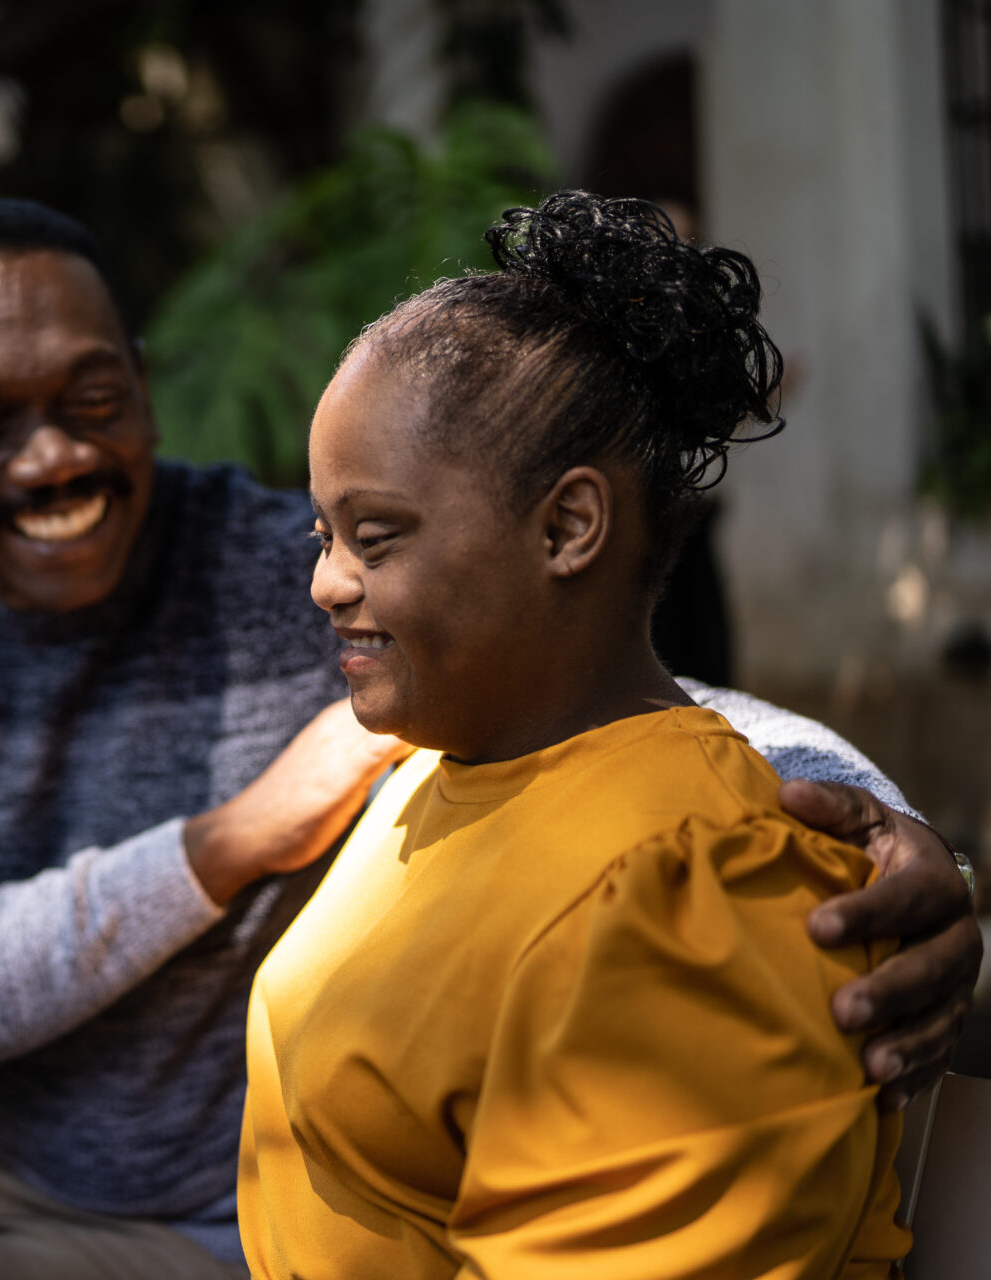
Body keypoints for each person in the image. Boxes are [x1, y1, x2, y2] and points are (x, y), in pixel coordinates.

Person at [0, 199, 980, 1279]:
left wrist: (872, 820)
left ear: (143, 390)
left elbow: (615, 704)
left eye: (91, 399)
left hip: (211, 1225)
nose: (52, 455)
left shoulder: (285, 576)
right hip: (9, 1168)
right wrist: (229, 839)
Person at [239, 192, 919, 1276]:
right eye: (323, 531)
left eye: (377, 534)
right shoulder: (445, 762)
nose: (326, 581)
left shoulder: (687, 895)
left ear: (567, 526)